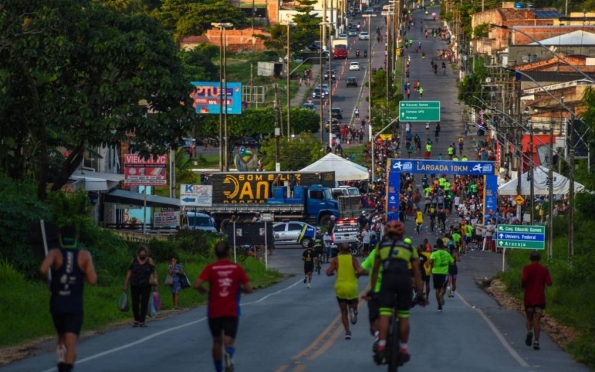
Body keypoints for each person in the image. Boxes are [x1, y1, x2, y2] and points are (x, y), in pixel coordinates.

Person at [40, 225, 97, 372]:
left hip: (57, 303)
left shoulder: (54, 253)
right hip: (74, 304)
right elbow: (92, 280)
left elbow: (43, 269)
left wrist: (50, 282)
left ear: (60, 238)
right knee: (71, 340)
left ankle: (60, 362)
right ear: (76, 238)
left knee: (62, 336)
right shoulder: (84, 255)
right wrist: (81, 273)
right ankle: (66, 368)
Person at [370, 221, 424, 365]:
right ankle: (404, 349)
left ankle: (381, 346)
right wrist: (420, 293)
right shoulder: (409, 247)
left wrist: (373, 290)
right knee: (404, 316)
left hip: (387, 280)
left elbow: (375, 270)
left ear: (387, 233)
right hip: (404, 281)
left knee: (385, 314)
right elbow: (417, 273)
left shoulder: (381, 246)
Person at [194, 241, 253, 372]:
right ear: (229, 252)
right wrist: (239, 289)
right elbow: (249, 288)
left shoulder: (211, 268)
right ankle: (229, 354)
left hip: (214, 310)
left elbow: (197, 284)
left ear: (215, 253)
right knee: (229, 341)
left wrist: (204, 291)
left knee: (216, 341)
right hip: (231, 310)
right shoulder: (235, 268)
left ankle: (218, 369)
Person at [326, 242, 364, 340]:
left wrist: (331, 274)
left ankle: (347, 332)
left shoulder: (336, 260)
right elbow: (360, 271)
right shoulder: (353, 259)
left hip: (340, 288)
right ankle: (354, 311)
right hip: (351, 287)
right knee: (354, 304)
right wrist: (357, 275)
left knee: (343, 312)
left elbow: (328, 272)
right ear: (349, 250)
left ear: (339, 249)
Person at [522, 250, 552, 351]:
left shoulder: (527, 268)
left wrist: (524, 286)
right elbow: (549, 282)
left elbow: (524, 279)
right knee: (537, 320)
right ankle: (536, 341)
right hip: (539, 298)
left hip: (529, 298)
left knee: (529, 317)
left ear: (530, 258)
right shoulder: (544, 269)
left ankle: (529, 331)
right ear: (539, 258)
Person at [123, 245, 158, 328]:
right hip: (135, 284)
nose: (142, 257)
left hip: (146, 285)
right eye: (141, 255)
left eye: (144, 255)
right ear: (138, 254)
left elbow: (154, 273)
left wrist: (156, 285)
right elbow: (129, 273)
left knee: (144, 303)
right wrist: (125, 284)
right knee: (135, 303)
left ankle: (142, 321)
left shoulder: (149, 261)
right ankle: (136, 319)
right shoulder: (134, 261)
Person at [429, 239, 454, 312]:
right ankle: (441, 295)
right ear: (443, 245)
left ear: (437, 245)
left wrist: (432, 266)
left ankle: (439, 306)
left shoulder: (434, 253)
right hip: (444, 273)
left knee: (437, 289)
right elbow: (452, 263)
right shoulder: (447, 253)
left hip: (435, 273)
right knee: (443, 288)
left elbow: (431, 261)